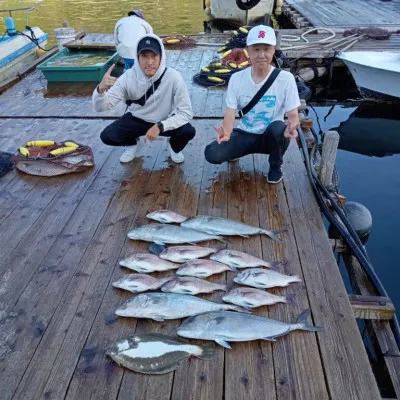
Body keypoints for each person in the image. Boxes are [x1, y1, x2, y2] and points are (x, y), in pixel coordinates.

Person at [204, 25, 300, 184]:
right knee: (212, 153)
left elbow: (293, 113)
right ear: (248, 50)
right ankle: (236, 150)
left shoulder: (286, 78)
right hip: (246, 132)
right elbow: (230, 111)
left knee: (278, 128)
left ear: (273, 50)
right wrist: (226, 132)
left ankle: (275, 165)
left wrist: (292, 125)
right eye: (256, 49)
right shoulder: (236, 78)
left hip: (271, 136)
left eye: (266, 49)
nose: (262, 55)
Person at [93, 34, 196, 164]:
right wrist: (100, 91)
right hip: (137, 118)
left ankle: (174, 146)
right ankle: (132, 144)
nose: (149, 62)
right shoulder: (127, 77)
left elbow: (186, 113)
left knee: (188, 131)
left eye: (154, 56)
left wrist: (161, 126)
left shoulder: (174, 77)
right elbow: (101, 107)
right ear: (137, 57)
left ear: (161, 57)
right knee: (107, 136)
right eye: (144, 56)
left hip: (164, 120)